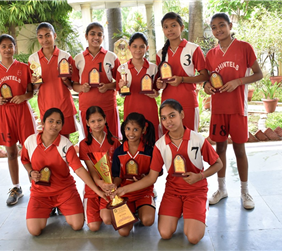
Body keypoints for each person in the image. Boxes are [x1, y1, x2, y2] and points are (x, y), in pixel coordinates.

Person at [113, 99, 222, 244]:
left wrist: (200, 176)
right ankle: (180, 210)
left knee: (193, 237)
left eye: (172, 116)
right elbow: (151, 178)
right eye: (163, 118)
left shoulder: (198, 139)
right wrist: (123, 190)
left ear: (182, 114)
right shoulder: (160, 145)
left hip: (195, 191)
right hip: (173, 192)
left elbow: (218, 164)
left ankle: (196, 210)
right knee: (165, 233)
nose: (168, 121)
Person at [204, 13, 263, 209]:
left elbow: (258, 74)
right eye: (214, 27)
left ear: (230, 25)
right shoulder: (210, 54)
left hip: (238, 109)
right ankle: (221, 189)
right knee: (220, 149)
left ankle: (245, 192)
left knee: (239, 150)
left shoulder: (244, 47)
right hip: (218, 109)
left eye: (221, 25)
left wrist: (238, 81)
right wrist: (206, 87)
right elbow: (206, 80)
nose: (218, 30)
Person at [21, 108, 107, 236]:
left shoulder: (66, 144)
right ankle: (50, 208)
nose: (54, 125)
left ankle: (60, 206)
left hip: (65, 191)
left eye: (58, 122)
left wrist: (97, 190)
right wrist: (30, 172)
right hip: (40, 193)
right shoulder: (30, 141)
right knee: (34, 231)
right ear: (43, 123)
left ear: (62, 126)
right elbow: (25, 160)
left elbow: (79, 169)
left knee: (78, 225)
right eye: (51, 121)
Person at [0, 34, 36, 206]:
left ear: (15, 48)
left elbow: (31, 92)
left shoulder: (24, 68)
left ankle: (37, 186)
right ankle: (16, 187)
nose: (7, 49)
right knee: (11, 152)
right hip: (4, 114)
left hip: (22, 112)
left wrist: (23, 97)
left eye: (10, 46)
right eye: (3, 46)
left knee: (31, 152)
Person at [156, 12, 208, 132]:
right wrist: (160, 84)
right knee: (169, 141)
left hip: (188, 102)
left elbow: (204, 76)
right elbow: (161, 81)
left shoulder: (193, 49)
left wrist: (182, 79)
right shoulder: (160, 54)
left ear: (182, 27)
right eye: (166, 27)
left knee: (190, 139)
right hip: (167, 104)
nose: (170, 29)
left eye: (173, 25)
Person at [72, 22, 121, 139]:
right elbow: (74, 85)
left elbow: (120, 83)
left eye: (99, 34)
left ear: (103, 37)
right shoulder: (78, 59)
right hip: (86, 107)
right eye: (92, 34)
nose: (96, 37)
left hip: (107, 106)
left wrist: (108, 86)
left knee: (111, 140)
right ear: (86, 36)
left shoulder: (111, 57)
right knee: (90, 143)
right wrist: (82, 88)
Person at [29, 22, 77, 138]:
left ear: (54, 36)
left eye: (47, 35)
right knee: (50, 140)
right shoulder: (33, 59)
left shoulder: (65, 56)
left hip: (64, 105)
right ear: (38, 39)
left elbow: (72, 86)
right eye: (40, 37)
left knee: (65, 141)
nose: (44, 39)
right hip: (46, 106)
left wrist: (65, 79)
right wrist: (35, 82)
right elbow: (34, 88)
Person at [111, 112, 156, 237]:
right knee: (123, 232)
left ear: (143, 130)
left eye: (136, 129)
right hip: (125, 193)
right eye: (128, 129)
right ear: (124, 129)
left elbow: (157, 174)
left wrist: (144, 178)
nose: (131, 133)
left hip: (144, 191)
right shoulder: (119, 152)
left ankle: (143, 208)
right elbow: (117, 175)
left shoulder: (150, 151)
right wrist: (114, 186)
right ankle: (133, 210)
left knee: (148, 221)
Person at [79, 106, 121, 231]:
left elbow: (118, 169)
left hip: (110, 186)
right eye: (92, 121)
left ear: (105, 120)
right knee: (93, 227)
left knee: (107, 220)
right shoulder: (84, 144)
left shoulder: (115, 142)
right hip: (93, 185)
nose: (96, 124)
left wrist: (112, 185)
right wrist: (99, 182)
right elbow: (91, 169)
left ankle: (106, 212)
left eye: (99, 120)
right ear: (87, 123)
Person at [116, 32, 160, 138]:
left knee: (151, 139)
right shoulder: (122, 69)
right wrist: (122, 87)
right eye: (134, 46)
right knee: (133, 140)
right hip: (131, 109)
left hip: (149, 109)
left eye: (142, 47)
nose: (138, 50)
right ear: (129, 48)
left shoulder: (153, 68)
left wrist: (155, 93)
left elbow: (157, 91)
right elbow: (121, 94)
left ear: (147, 48)